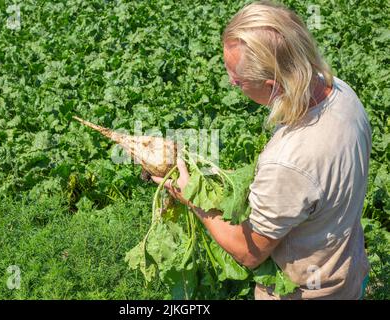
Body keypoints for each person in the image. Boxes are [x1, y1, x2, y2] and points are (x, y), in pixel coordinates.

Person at [152, 1, 371, 300]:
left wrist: (193, 198)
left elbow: (248, 251)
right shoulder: (340, 92)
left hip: (307, 292)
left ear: (274, 86)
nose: (231, 82)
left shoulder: (289, 160)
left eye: (238, 80)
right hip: (347, 271)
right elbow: (307, 188)